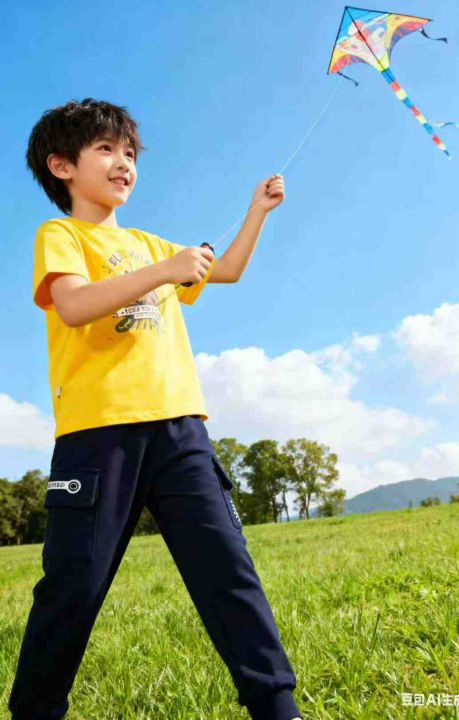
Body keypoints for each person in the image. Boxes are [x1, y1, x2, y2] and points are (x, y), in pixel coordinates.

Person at [8, 98, 303, 720]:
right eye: (106, 149)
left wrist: (257, 211)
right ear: (62, 166)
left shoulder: (149, 243)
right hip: (97, 439)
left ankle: (278, 708)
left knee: (228, 572)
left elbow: (227, 271)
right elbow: (74, 305)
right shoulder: (61, 235)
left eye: (131, 153)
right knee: (74, 585)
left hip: (181, 431)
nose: (125, 163)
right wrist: (164, 271)